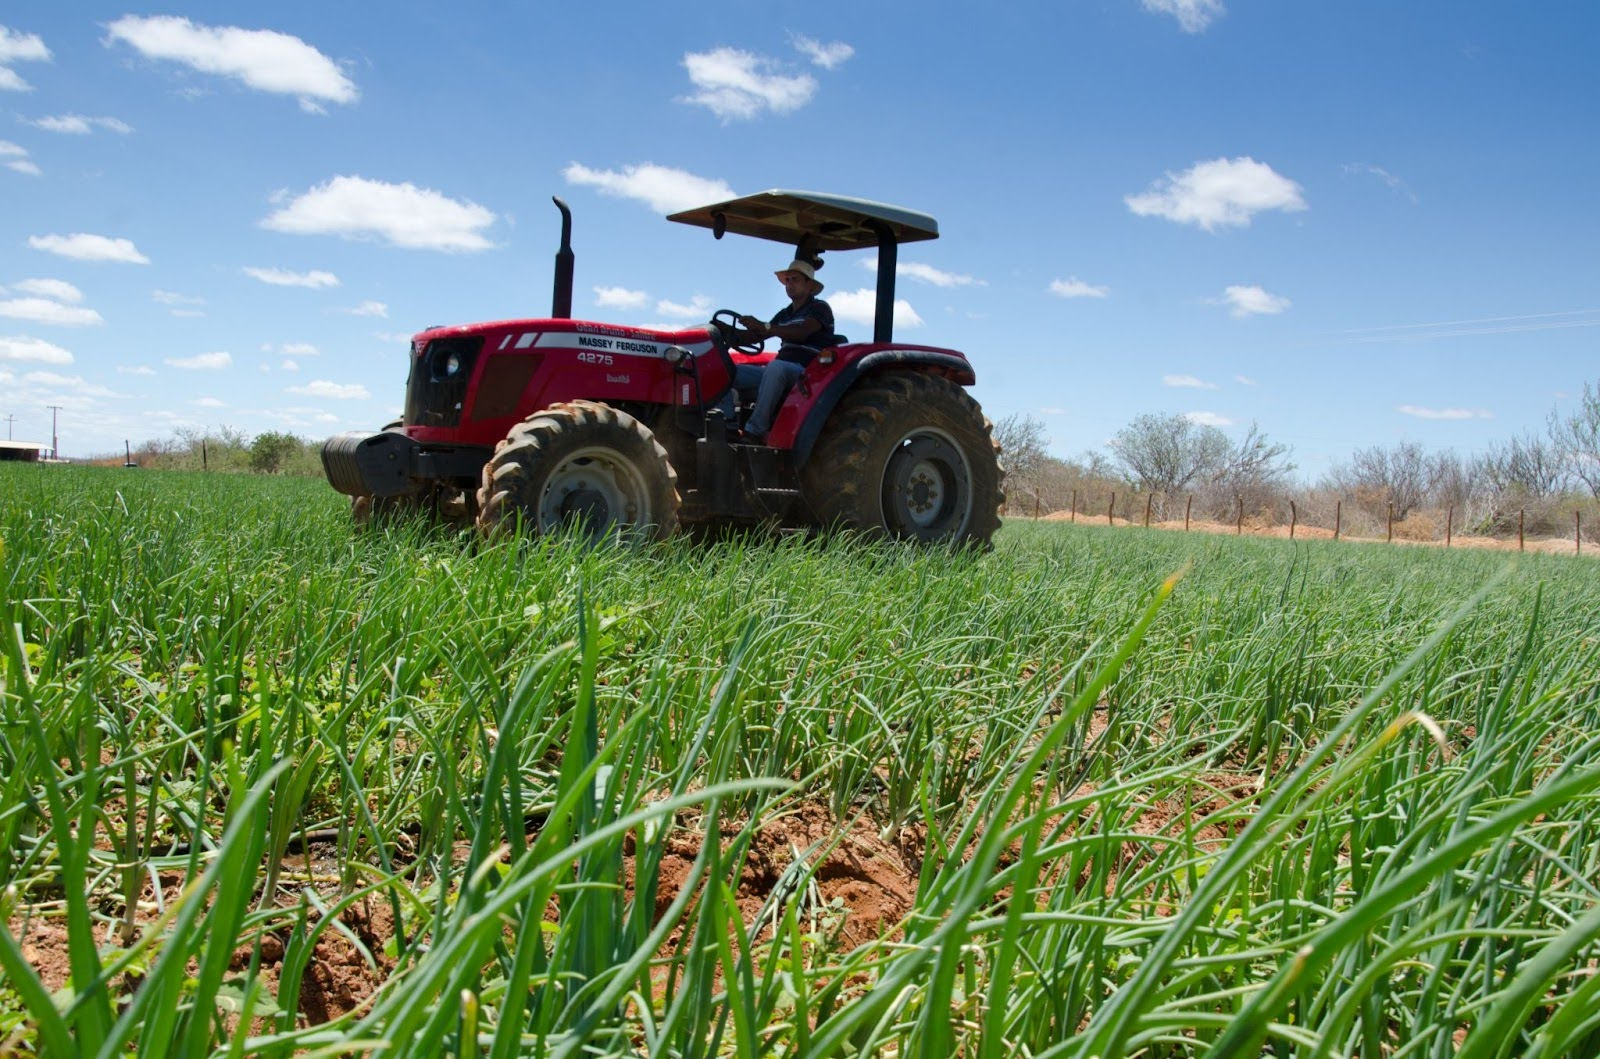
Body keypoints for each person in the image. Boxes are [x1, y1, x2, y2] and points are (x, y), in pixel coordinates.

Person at [722, 259, 836, 443]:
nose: (790, 284)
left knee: (776, 368)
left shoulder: (819, 308)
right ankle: (727, 424)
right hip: (780, 370)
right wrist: (727, 332)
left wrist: (765, 326)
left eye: (795, 280)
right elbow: (756, 336)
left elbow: (802, 332)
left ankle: (754, 430)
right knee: (725, 371)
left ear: (809, 286)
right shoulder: (785, 313)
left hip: (806, 373)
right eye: (788, 280)